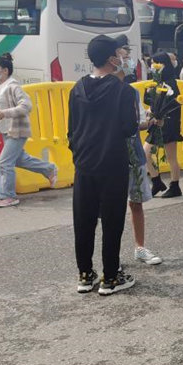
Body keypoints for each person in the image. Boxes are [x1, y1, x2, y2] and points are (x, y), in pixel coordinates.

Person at [68, 35, 139, 295]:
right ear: (112, 59)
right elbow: (129, 127)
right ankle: (110, 277)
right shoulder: (123, 90)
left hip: (84, 163)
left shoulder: (76, 88)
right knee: (112, 220)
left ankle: (85, 275)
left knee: (83, 220)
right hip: (112, 162)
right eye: (121, 54)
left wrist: (79, 154)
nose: (124, 59)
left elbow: (71, 130)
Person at [113, 36, 163, 266]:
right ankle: (110, 253)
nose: (128, 61)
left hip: (133, 154)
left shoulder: (131, 91)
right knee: (110, 207)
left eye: (128, 56)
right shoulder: (102, 89)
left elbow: (136, 123)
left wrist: (151, 122)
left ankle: (139, 247)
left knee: (136, 202)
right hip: (111, 155)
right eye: (123, 57)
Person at [0, 53, 58, 208]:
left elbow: (26, 106)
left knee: (4, 163)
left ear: (5, 70)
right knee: (20, 160)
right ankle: (49, 169)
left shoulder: (13, 87)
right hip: (5, 129)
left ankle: (8, 196)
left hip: (18, 130)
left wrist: (5, 113)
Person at [144, 51, 183, 198]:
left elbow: (173, 105)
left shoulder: (171, 83)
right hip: (157, 124)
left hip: (168, 125)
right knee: (145, 153)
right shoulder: (156, 81)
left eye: (155, 63)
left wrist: (159, 115)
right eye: (152, 64)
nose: (152, 66)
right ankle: (156, 181)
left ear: (164, 64)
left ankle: (175, 185)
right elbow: (151, 102)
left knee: (171, 157)